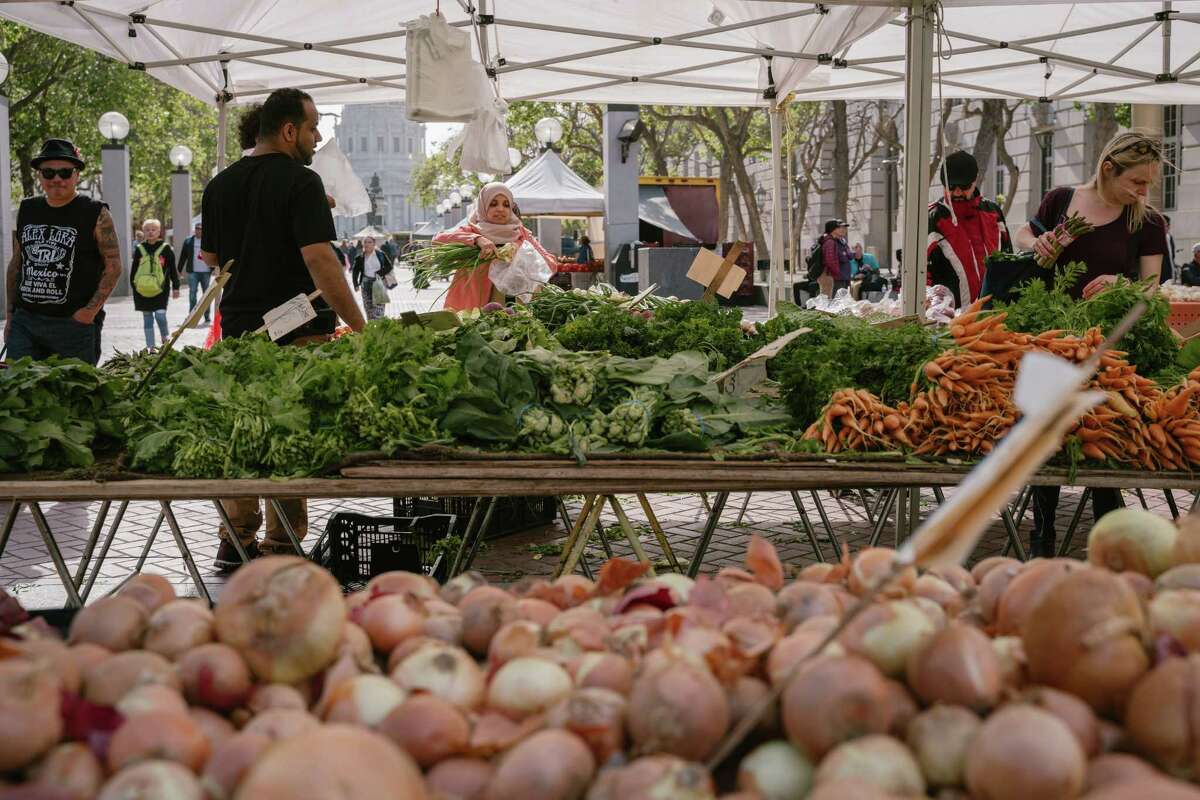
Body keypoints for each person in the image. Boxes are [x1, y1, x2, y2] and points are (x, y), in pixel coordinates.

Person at [200, 87, 365, 572]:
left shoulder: (220, 185)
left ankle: (235, 538)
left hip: (241, 331)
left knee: (246, 432)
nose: (317, 138)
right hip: (300, 335)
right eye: (313, 128)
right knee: (289, 434)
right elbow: (320, 260)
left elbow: (212, 258)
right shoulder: (302, 182)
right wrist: (361, 326)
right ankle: (282, 543)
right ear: (290, 130)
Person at [1014, 129, 1168, 557]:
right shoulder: (1061, 200)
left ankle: (1107, 540)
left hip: (1110, 349)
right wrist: (1037, 243)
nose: (1142, 191)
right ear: (1107, 168)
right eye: (1136, 182)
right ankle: (1041, 539)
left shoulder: (1148, 221)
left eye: (1148, 184)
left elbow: (1151, 288)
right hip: (1051, 338)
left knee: (1104, 439)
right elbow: (1023, 234)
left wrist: (1124, 284)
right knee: (1044, 438)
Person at [4, 138, 121, 365]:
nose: (57, 179)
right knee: (17, 391)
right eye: (48, 173)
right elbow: (16, 263)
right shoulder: (27, 209)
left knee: (74, 395)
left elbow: (114, 265)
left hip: (73, 326)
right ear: (40, 175)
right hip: (26, 322)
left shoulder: (95, 212)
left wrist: (89, 312)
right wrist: (10, 316)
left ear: (77, 175)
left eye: (65, 173)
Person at [433, 182, 556, 311]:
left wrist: (522, 252)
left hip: (516, 310)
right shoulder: (472, 230)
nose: (500, 209)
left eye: (506, 205)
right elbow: (437, 241)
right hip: (474, 309)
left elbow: (551, 262)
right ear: (483, 206)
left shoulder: (521, 233)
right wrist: (477, 240)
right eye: (493, 204)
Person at [926, 150, 1012, 309]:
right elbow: (922, 273)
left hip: (994, 313)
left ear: (975, 180)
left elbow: (1009, 260)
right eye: (951, 187)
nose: (957, 192)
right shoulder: (933, 218)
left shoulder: (993, 211)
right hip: (949, 318)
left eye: (964, 186)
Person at [131, 219, 179, 349]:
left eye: (153, 230)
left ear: (159, 232)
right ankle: (150, 347)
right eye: (147, 230)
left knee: (160, 314)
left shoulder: (166, 248)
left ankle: (165, 336)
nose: (150, 232)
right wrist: (134, 288)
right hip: (142, 290)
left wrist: (176, 287)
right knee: (147, 318)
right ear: (143, 232)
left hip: (161, 289)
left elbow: (173, 269)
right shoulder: (139, 249)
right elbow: (134, 270)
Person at [351, 236, 394, 320]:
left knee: (379, 310)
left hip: (379, 283)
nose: (367, 244)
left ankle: (379, 327)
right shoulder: (359, 257)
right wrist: (355, 284)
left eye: (369, 242)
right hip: (365, 283)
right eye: (365, 242)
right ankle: (371, 328)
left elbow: (389, 266)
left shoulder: (380, 254)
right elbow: (355, 271)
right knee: (369, 310)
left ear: (374, 244)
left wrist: (379, 273)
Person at [178, 223, 212, 325]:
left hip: (206, 272)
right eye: (197, 229)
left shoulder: (208, 241)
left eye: (201, 229)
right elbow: (183, 256)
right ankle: (191, 316)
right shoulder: (188, 241)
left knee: (206, 295)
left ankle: (207, 316)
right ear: (195, 230)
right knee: (192, 294)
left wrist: (215, 267)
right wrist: (179, 269)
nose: (199, 230)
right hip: (193, 272)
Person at [817, 219, 852, 297]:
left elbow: (850, 256)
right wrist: (837, 273)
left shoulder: (840, 241)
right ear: (832, 229)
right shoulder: (830, 242)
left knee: (836, 300)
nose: (842, 230)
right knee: (832, 300)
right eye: (839, 227)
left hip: (837, 276)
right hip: (833, 276)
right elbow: (830, 261)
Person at [1163, 215, 1178, 284]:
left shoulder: (1169, 237)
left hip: (1168, 271)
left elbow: (1172, 257)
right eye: (1166, 225)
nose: (1168, 227)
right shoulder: (1154, 238)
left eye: (1168, 225)